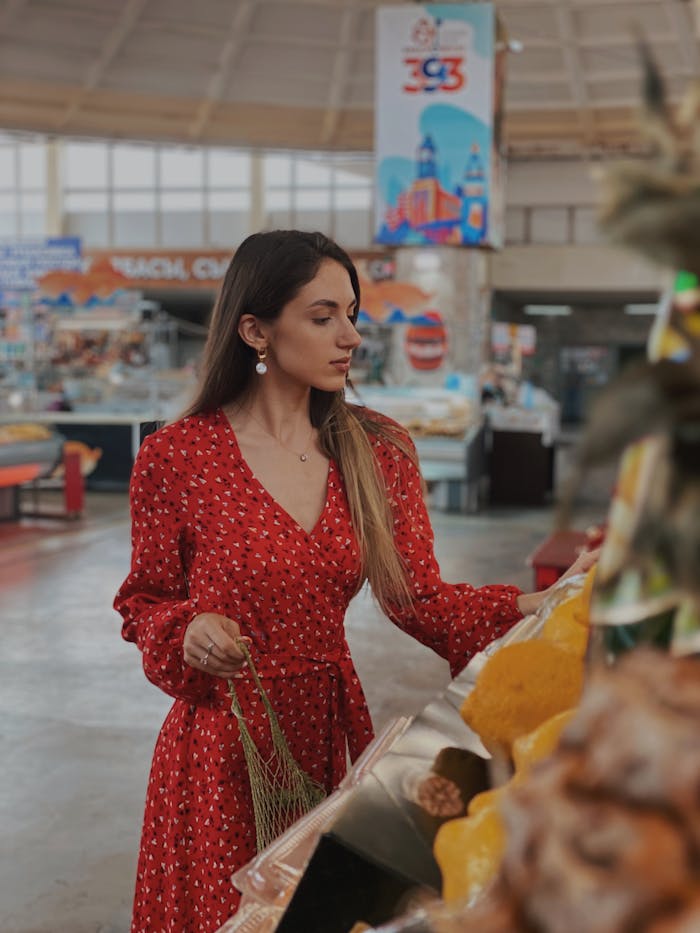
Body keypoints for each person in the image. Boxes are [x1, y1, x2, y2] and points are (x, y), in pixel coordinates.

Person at [114, 230, 597, 933]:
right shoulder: (177, 456)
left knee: (312, 912)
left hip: (330, 733)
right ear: (255, 330)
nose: (351, 335)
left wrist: (543, 603)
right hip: (220, 748)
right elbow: (143, 600)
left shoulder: (376, 449)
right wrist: (185, 628)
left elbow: (419, 598)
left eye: (352, 313)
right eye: (323, 317)